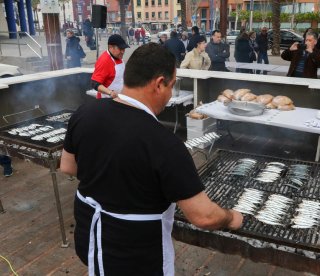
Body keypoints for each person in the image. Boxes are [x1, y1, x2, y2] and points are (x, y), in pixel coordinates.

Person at [60, 43, 243, 275]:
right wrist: (231, 218)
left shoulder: (84, 113)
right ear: (159, 84)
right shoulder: (164, 143)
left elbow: (67, 166)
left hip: (91, 243)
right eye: (172, 86)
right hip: (137, 259)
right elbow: (204, 216)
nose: (170, 94)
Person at [91, 34, 130, 99]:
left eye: (124, 49)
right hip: (106, 100)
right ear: (110, 47)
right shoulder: (104, 61)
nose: (123, 52)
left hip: (119, 98)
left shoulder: (118, 57)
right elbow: (94, 84)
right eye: (120, 49)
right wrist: (110, 92)